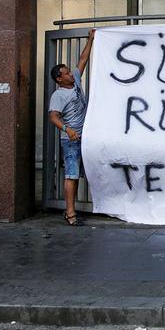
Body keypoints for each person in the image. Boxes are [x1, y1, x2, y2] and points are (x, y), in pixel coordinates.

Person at [48, 28, 95, 226]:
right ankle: (70, 212)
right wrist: (67, 129)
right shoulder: (58, 95)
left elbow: (82, 60)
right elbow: (53, 117)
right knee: (71, 175)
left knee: (80, 175)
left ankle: (72, 209)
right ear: (59, 79)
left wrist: (90, 40)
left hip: (85, 137)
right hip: (71, 140)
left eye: (69, 71)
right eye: (67, 73)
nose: (71, 74)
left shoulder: (75, 82)